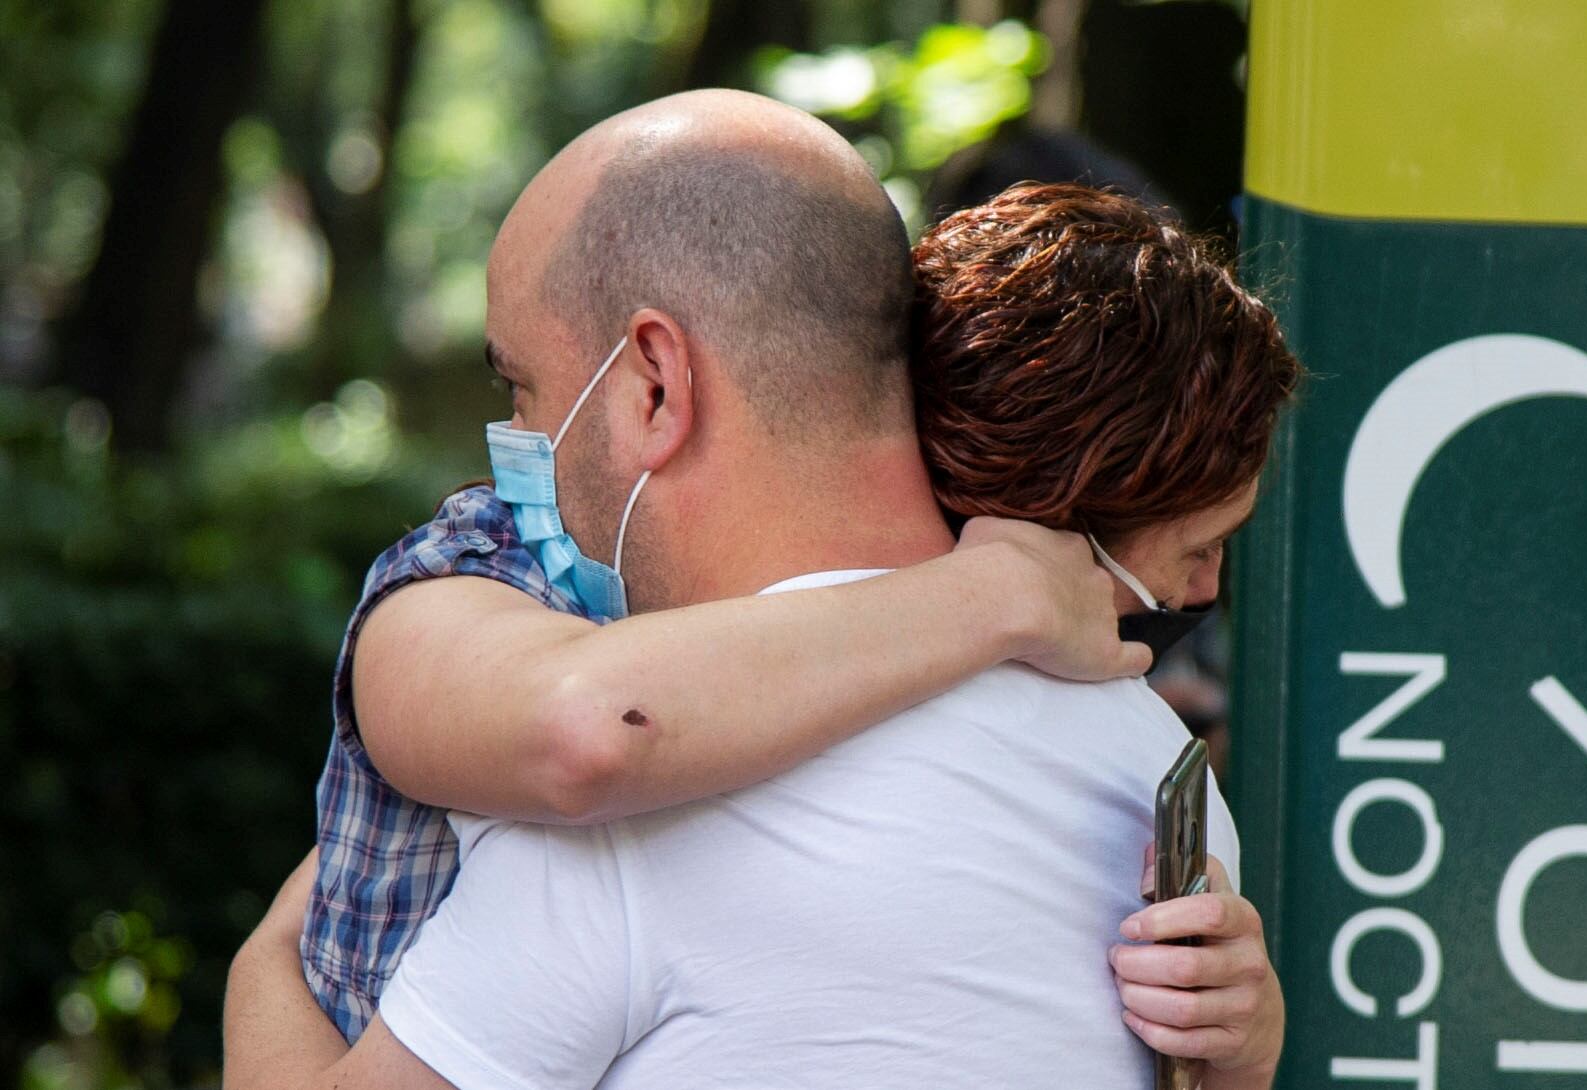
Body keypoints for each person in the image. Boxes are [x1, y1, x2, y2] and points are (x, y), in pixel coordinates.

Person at [225, 93, 1297, 1088]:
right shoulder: (1155, 783)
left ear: (654, 381)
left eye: (524, 388)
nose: (513, 441)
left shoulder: (632, 820)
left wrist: (267, 966)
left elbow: (595, 729)